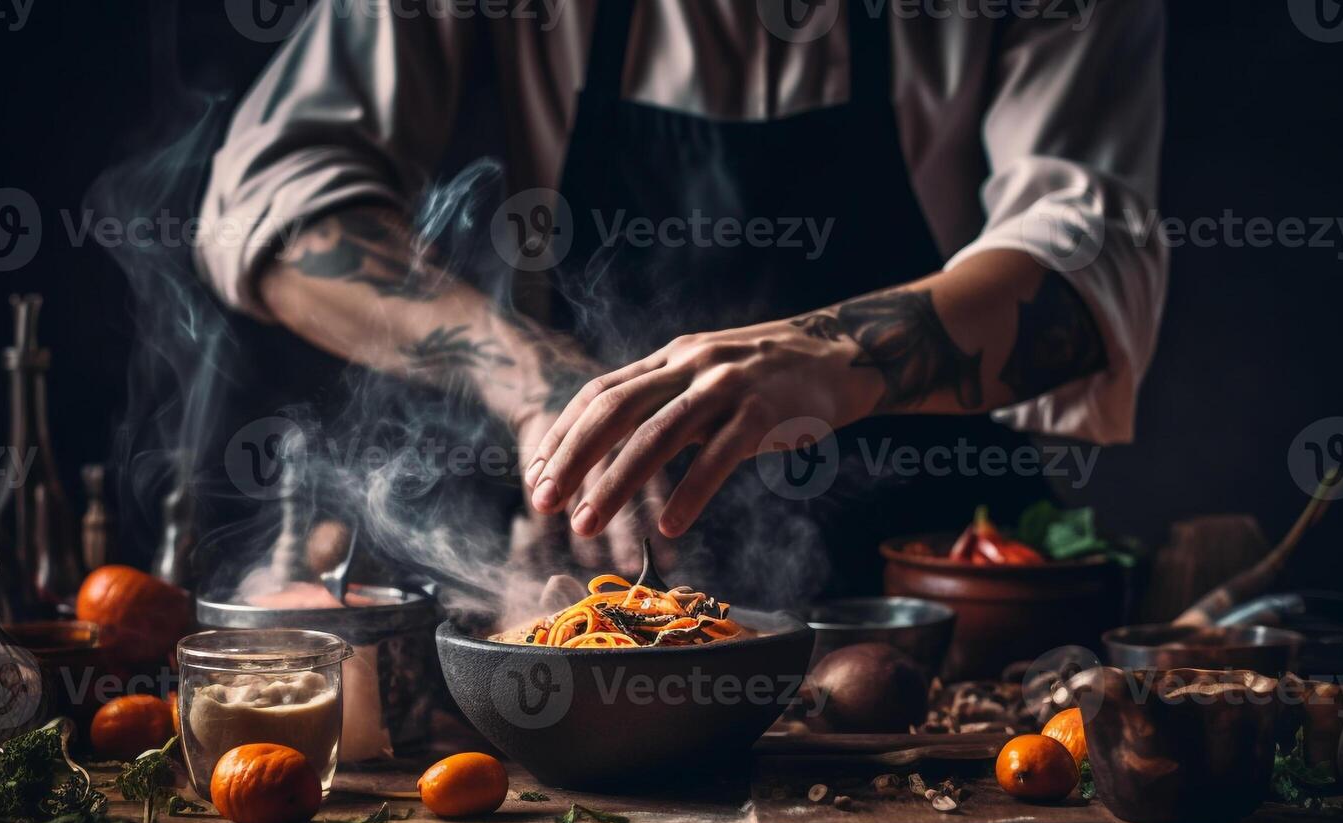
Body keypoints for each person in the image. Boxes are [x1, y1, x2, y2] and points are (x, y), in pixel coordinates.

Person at [197, 0, 1167, 597]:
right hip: (599, 571)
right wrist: (532, 378)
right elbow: (274, 197)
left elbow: (1088, 273)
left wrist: (831, 356)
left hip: (936, 590)